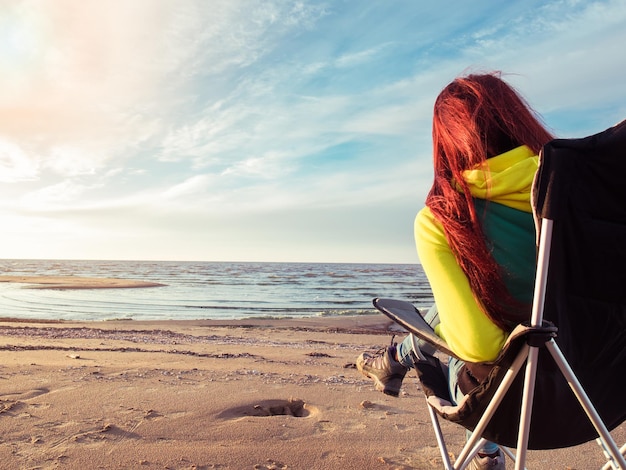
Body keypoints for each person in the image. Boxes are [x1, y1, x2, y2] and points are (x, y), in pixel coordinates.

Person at [357, 71, 554, 470]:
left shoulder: (443, 220)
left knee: (468, 327)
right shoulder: (592, 191)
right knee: (480, 299)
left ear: (448, 144)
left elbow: (479, 348)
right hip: (606, 390)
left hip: (523, 404)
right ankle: (395, 358)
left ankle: (401, 356)